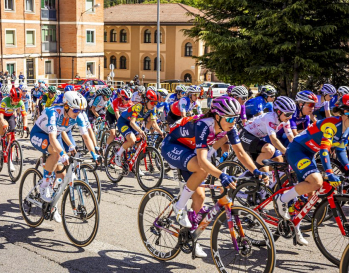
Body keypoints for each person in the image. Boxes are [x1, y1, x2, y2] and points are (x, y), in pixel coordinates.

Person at [161, 96, 268, 257]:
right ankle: (179, 207)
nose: (233, 122)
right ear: (217, 116)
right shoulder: (204, 124)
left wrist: (256, 171)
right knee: (202, 168)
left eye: (236, 118)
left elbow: (240, 153)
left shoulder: (229, 128)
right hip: (173, 146)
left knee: (200, 198)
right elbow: (203, 161)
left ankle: (191, 237)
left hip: (191, 152)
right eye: (230, 118)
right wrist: (222, 175)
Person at [275, 94, 349, 246]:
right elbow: (324, 150)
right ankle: (281, 199)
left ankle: (295, 226)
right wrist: (329, 172)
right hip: (297, 150)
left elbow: (341, 151)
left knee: (310, 196)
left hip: (309, 153)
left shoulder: (347, 130)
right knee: (316, 181)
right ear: (346, 112)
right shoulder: (332, 125)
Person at [29, 91, 87, 222]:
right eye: (76, 110)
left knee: (61, 176)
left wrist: (91, 153)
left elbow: (68, 132)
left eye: (81, 110)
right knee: (55, 153)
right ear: (66, 106)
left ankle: (51, 206)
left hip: (54, 137)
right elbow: (52, 137)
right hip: (38, 134)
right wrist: (62, 154)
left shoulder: (72, 116)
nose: (78, 113)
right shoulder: (53, 112)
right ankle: (44, 186)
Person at [115, 89, 163, 166]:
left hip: (132, 123)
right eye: (152, 102)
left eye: (155, 103)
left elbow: (154, 123)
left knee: (140, 142)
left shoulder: (152, 109)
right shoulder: (139, 106)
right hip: (123, 121)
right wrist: (141, 131)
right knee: (132, 140)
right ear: (146, 101)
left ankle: (135, 165)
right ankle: (118, 154)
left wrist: (161, 132)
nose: (154, 105)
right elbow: (132, 122)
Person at [0, 88, 27, 163]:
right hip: (0, 115)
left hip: (10, 115)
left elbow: (24, 115)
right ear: (11, 97)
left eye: (18, 100)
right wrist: (3, 123)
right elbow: (1, 116)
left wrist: (25, 126)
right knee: (3, 125)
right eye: (15, 100)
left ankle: (10, 160)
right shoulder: (4, 101)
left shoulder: (20, 103)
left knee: (12, 136)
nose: (17, 102)